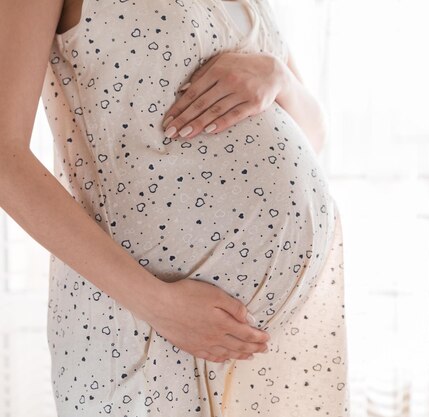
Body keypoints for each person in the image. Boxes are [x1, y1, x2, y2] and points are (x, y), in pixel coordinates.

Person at [0, 0, 350, 416]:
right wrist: (160, 306)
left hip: (280, 336)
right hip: (145, 325)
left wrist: (278, 77)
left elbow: (314, 134)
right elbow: (5, 159)